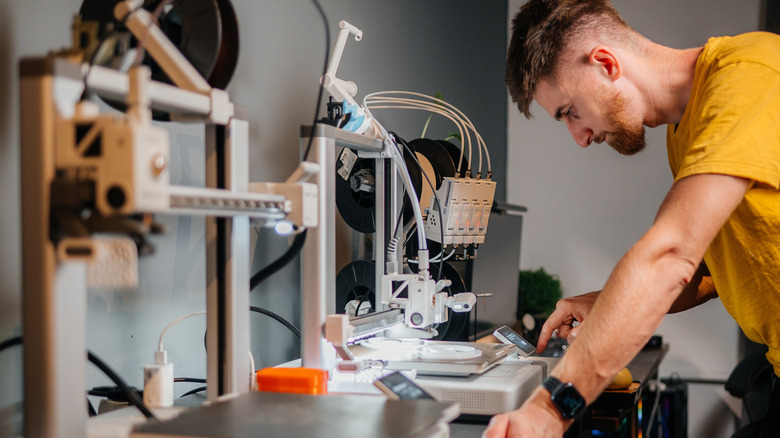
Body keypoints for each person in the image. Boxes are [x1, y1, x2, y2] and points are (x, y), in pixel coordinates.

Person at [484, 0, 780, 437]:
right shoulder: (684, 135)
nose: (579, 138)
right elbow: (711, 269)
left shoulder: (751, 72)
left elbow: (670, 255)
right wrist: (605, 304)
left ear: (605, 63)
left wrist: (550, 410)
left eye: (569, 112)